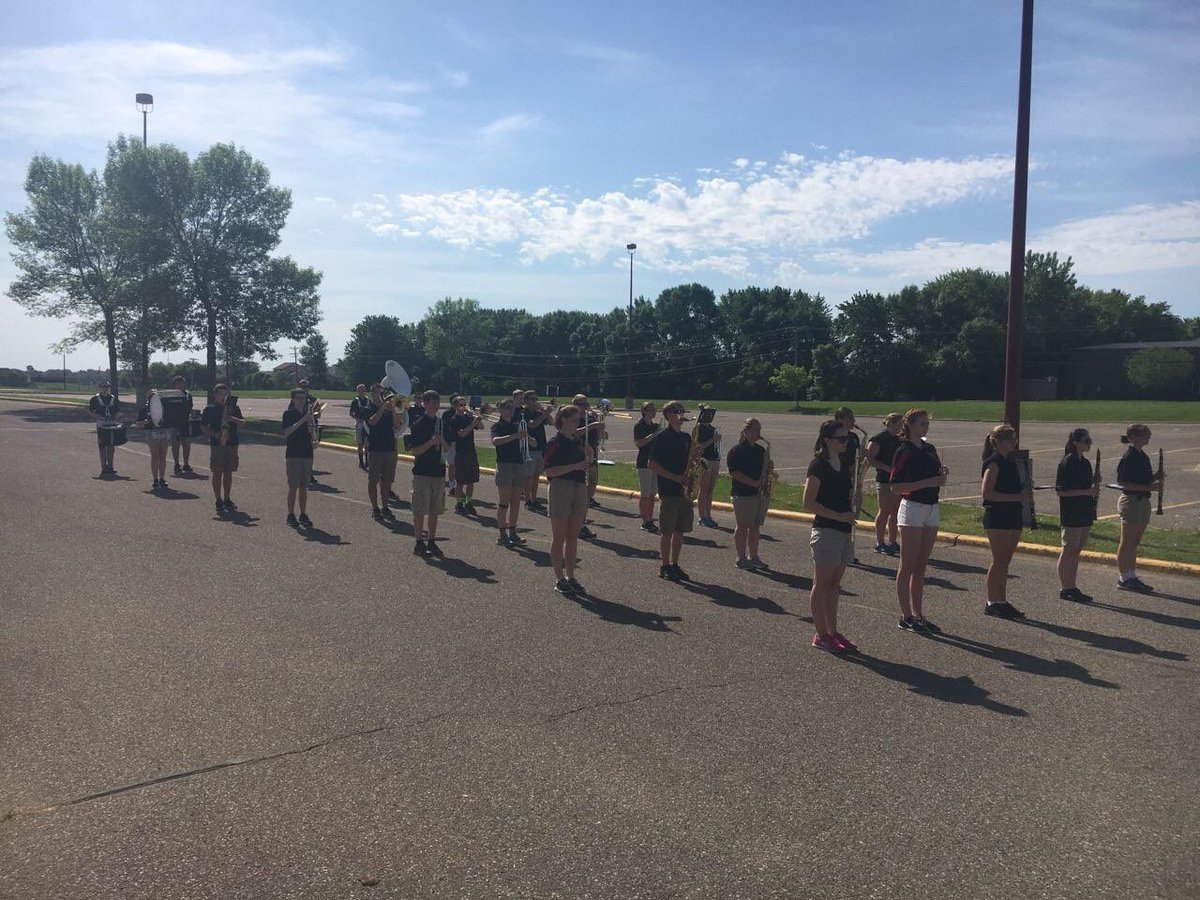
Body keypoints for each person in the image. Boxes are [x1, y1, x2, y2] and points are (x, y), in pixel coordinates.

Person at [889, 408, 947, 633]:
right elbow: (896, 487)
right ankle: (906, 615)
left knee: (921, 565)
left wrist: (941, 475)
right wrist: (928, 482)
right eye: (921, 423)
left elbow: (934, 474)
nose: (925, 427)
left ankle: (919, 614)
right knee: (908, 564)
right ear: (910, 425)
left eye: (927, 423)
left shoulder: (930, 449)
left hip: (932, 507)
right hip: (912, 508)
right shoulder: (903, 451)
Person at [804, 420, 858, 653]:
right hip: (826, 530)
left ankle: (833, 631)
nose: (846, 442)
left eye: (847, 438)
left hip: (844, 530)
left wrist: (854, 502)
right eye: (841, 438)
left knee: (835, 584)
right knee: (823, 583)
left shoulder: (844, 464)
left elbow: (846, 494)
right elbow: (808, 503)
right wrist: (837, 515)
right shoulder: (818, 465)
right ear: (828, 440)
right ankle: (821, 634)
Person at [979, 424, 1029, 620]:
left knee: (1005, 561)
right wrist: (1017, 497)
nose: (1013, 443)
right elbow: (987, 494)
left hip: (1013, 515)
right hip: (997, 516)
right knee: (998, 560)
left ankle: (1002, 600)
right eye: (1009, 440)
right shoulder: (994, 463)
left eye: (1014, 439)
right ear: (998, 442)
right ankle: (992, 602)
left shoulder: (1010, 461)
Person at [543, 404, 592, 594]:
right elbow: (550, 471)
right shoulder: (554, 443)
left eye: (578, 421)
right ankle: (559, 578)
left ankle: (571, 576)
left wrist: (588, 455)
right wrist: (576, 465)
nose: (577, 424)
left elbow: (588, 459)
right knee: (559, 538)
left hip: (579, 487)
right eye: (574, 420)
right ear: (562, 420)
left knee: (573, 537)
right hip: (560, 488)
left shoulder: (578, 442)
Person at [1114, 424, 1163, 593]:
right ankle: (1123, 577)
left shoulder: (1143, 456)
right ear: (1133, 437)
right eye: (1144, 435)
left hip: (1142, 502)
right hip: (1132, 501)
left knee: (1134, 542)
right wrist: (1149, 488)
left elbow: (1144, 480)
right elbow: (1123, 483)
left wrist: (1156, 477)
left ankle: (1131, 575)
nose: (1147, 438)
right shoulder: (1129, 457)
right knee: (1127, 542)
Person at [650, 400, 694, 582]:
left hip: (685, 491)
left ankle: (675, 564)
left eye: (682, 411)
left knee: (680, 530)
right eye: (677, 411)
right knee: (667, 531)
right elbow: (652, 464)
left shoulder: (686, 438)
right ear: (668, 416)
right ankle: (665, 565)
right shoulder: (662, 437)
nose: (681, 414)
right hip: (669, 490)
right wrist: (675, 478)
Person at [1055, 428, 1099, 602]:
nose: (1090, 443)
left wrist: (1094, 483)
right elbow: (1061, 492)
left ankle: (1072, 586)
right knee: (1068, 550)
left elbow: (1085, 488)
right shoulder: (1067, 462)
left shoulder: (1085, 463)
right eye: (1086, 440)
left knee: (1077, 550)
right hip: (1071, 513)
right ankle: (1065, 588)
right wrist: (1087, 491)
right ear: (1076, 442)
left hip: (1084, 511)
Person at [409, 390, 449, 557]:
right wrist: (432, 442)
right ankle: (419, 542)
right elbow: (415, 451)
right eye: (432, 403)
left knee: (435, 510)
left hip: (439, 471)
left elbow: (447, 448)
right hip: (422, 472)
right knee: (420, 509)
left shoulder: (441, 423)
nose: (435, 406)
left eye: (437, 403)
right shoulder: (419, 424)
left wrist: (442, 442)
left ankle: (432, 541)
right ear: (425, 403)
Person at [728, 418, 769, 570]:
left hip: (758, 493)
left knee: (755, 526)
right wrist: (753, 483)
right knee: (743, 526)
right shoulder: (737, 450)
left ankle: (754, 556)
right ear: (746, 431)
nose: (759, 433)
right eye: (756, 430)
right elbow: (735, 473)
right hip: (743, 494)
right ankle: (741, 558)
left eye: (759, 430)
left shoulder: (760, 450)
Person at [199, 384, 245, 514]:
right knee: (217, 472)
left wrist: (232, 418)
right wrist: (214, 434)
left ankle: (227, 497)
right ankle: (218, 499)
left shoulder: (234, 408)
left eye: (225, 394)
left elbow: (243, 424)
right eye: (220, 394)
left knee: (229, 472)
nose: (223, 397)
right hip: (217, 444)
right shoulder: (210, 409)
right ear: (215, 395)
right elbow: (203, 426)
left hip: (232, 443)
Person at [491, 399, 528, 547]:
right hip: (505, 465)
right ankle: (502, 534)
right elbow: (495, 441)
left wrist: (528, 438)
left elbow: (533, 443)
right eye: (507, 407)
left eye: (512, 408)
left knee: (516, 502)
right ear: (500, 410)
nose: (511, 410)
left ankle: (513, 532)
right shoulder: (497, 426)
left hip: (518, 465)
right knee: (504, 503)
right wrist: (515, 436)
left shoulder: (517, 425)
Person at [866, 413, 903, 555]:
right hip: (884, 480)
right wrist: (887, 468)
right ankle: (880, 542)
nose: (901, 427)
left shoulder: (899, 439)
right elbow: (870, 459)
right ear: (890, 424)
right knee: (885, 511)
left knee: (896, 512)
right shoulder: (878, 439)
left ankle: (893, 541)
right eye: (899, 424)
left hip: (898, 480)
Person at [280, 387, 316, 527]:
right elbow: (287, 432)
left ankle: (303, 513)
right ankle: (290, 514)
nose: (302, 401)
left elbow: (312, 432)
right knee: (293, 486)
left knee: (304, 487)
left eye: (303, 398)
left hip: (307, 453)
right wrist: (303, 420)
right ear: (293, 400)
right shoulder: (288, 414)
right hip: (294, 454)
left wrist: (313, 433)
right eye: (298, 398)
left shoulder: (309, 414)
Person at [365, 384, 399, 522]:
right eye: (376, 392)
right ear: (372, 394)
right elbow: (372, 422)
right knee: (373, 480)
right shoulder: (368, 408)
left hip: (389, 448)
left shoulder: (389, 409)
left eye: (381, 392)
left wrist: (395, 410)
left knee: (386, 481)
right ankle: (375, 508)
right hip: (375, 449)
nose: (379, 395)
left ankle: (385, 507)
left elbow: (397, 425)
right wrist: (382, 408)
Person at [573, 395, 604, 539]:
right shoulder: (572, 418)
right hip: (578, 458)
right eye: (582, 404)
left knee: (589, 491)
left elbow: (598, 436)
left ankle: (581, 523)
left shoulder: (589, 417)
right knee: (581, 495)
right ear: (575, 404)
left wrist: (601, 430)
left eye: (586, 403)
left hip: (592, 456)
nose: (586, 406)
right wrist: (592, 426)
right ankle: (579, 525)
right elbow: (574, 433)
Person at [449, 396, 483, 515]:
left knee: (471, 480)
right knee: (461, 481)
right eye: (460, 405)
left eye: (464, 405)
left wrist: (477, 418)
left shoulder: (469, 418)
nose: (463, 407)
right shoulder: (454, 419)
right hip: (461, 452)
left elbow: (481, 427)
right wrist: (473, 423)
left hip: (471, 451)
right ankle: (459, 504)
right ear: (455, 406)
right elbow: (462, 434)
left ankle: (468, 502)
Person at [521, 391, 552, 512]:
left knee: (536, 476)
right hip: (530, 449)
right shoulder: (524, 413)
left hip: (541, 447)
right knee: (529, 476)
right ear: (526, 401)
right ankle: (527, 500)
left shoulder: (539, 413)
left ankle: (534, 499)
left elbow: (552, 422)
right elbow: (532, 425)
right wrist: (544, 415)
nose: (535, 402)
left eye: (536, 399)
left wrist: (546, 413)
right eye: (532, 399)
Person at [633, 401, 661, 533]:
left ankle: (650, 518)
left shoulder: (655, 426)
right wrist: (653, 435)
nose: (653, 412)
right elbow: (639, 443)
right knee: (644, 494)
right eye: (650, 410)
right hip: (644, 463)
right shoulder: (640, 426)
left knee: (652, 493)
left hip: (655, 463)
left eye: (654, 409)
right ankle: (645, 520)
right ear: (643, 411)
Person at [137, 388, 172, 491]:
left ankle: (162, 478)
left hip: (163, 431)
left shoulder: (164, 407)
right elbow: (138, 424)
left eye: (156, 394)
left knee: (163, 456)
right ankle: (155, 479)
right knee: (155, 456)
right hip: (152, 432)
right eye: (152, 395)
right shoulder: (145, 409)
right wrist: (144, 422)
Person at [695, 405, 721, 528]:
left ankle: (708, 514)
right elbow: (699, 447)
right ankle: (702, 516)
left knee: (710, 489)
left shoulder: (712, 429)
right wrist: (713, 440)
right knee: (704, 488)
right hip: (704, 459)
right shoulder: (699, 429)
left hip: (714, 458)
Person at [88, 380, 121, 476]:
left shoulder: (113, 399)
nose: (105, 388)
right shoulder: (95, 399)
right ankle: (103, 467)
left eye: (106, 387)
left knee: (111, 445)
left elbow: (117, 411)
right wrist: (97, 416)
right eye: (102, 387)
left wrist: (119, 416)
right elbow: (90, 411)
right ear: (99, 388)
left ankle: (111, 466)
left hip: (112, 423)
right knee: (102, 445)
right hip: (101, 424)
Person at [168, 374, 195, 475]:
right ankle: (176, 464)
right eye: (177, 383)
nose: (179, 385)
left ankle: (186, 464)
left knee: (187, 445)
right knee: (175, 445)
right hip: (174, 423)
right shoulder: (170, 395)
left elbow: (190, 408)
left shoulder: (188, 395)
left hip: (185, 423)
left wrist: (194, 417)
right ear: (174, 385)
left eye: (181, 383)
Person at [298, 379, 320, 485]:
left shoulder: (313, 399)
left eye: (306, 387)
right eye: (302, 387)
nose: (304, 389)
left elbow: (318, 414)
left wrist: (316, 412)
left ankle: (309, 473)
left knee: (310, 452)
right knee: (300, 451)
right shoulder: (296, 400)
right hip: (300, 428)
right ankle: (301, 472)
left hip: (311, 427)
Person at [349, 383, 372, 470]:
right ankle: (361, 461)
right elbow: (351, 413)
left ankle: (367, 461)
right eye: (360, 390)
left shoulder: (368, 400)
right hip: (359, 423)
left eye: (363, 390)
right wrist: (357, 419)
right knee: (360, 443)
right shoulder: (355, 401)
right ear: (357, 391)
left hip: (367, 423)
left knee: (367, 443)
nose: (362, 391)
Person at [442, 395, 461, 497]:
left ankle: (457, 486)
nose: (459, 405)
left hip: (460, 443)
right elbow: (444, 429)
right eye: (456, 403)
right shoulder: (447, 414)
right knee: (452, 465)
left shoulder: (464, 414)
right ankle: (451, 487)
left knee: (458, 465)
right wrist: (445, 441)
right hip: (451, 442)